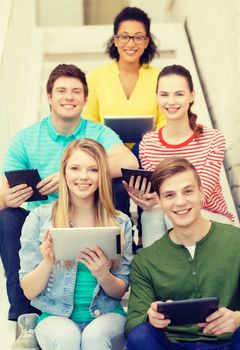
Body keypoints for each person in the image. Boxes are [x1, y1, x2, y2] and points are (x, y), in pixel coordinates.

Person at [0, 63, 138, 324]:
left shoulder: (97, 131)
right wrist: (7, 198)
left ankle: (110, 279)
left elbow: (128, 161)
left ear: (86, 99)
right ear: (49, 97)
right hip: (43, 223)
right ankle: (24, 315)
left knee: (117, 184)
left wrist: (67, 176)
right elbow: (2, 191)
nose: (69, 97)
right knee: (6, 216)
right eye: (61, 90)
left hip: (91, 215)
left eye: (76, 91)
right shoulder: (26, 138)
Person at [18, 138, 133, 350]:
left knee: (95, 337)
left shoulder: (120, 222)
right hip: (55, 316)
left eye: (93, 169)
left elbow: (120, 290)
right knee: (66, 337)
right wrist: (47, 262)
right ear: (64, 172)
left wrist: (102, 273)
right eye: (75, 168)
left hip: (107, 314)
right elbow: (28, 291)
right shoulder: (38, 218)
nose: (83, 176)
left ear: (102, 176)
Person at [126, 156, 240, 350]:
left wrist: (238, 318)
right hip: (174, 345)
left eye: (188, 191)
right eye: (169, 195)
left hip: (230, 343)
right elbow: (132, 324)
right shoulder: (146, 260)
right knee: (140, 335)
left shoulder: (236, 240)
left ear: (201, 192)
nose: (180, 202)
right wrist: (150, 317)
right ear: (160, 201)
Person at [82, 6, 166, 249]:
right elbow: (90, 122)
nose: (131, 43)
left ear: (147, 41)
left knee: (143, 158)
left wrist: (150, 139)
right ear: (115, 39)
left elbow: (164, 121)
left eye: (138, 37)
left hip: (147, 156)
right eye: (125, 36)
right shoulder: (97, 77)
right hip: (112, 158)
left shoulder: (158, 77)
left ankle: (145, 237)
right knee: (118, 185)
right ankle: (125, 238)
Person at [124, 64, 234, 247]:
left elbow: (201, 197)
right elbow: (158, 193)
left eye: (179, 94)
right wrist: (146, 200)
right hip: (170, 215)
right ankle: (159, 273)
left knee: (171, 213)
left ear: (192, 95)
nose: (171, 101)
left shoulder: (213, 139)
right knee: (152, 215)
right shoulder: (148, 144)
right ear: (157, 96)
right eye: (164, 94)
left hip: (211, 218)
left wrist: (161, 200)